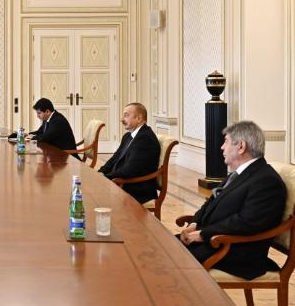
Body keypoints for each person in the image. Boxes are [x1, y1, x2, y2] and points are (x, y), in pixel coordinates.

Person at [178, 121, 286, 280]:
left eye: (226, 142)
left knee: (168, 259)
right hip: (215, 242)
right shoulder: (239, 174)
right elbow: (211, 202)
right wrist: (194, 223)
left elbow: (246, 222)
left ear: (241, 146)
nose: (222, 147)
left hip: (235, 254)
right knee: (162, 247)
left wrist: (203, 234)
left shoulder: (267, 181)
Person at [99, 102, 160, 204]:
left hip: (137, 190)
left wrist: (106, 178)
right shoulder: (128, 136)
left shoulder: (145, 138)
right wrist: (100, 172)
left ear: (139, 118)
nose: (122, 119)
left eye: (126, 115)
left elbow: (130, 170)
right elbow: (115, 158)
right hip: (122, 184)